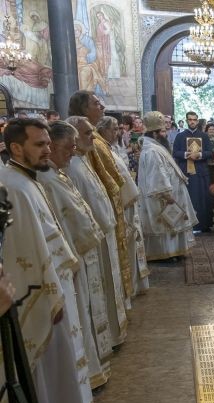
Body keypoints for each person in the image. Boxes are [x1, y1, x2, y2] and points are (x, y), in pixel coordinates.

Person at [1, 118, 99, 403]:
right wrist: (50, 298)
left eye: (47, 143)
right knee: (51, 384)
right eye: (39, 145)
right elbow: (25, 253)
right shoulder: (13, 186)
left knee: (61, 380)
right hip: (41, 301)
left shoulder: (28, 179)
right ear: (16, 148)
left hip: (54, 293)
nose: (48, 150)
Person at [39, 120, 111, 389]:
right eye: (67, 147)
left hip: (78, 252)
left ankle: (90, 371)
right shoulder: (47, 180)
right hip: (69, 256)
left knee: (84, 312)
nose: (72, 152)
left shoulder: (58, 173)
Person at [65, 115, 128, 347]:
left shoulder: (83, 159)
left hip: (102, 232)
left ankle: (113, 334)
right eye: (87, 133)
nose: (92, 137)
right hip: (91, 238)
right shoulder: (71, 166)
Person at [68, 90, 132, 299]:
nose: (102, 107)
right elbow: (108, 177)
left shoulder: (94, 137)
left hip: (103, 210)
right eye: (96, 103)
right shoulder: (87, 138)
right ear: (83, 109)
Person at [96, 116, 150, 296]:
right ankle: (130, 288)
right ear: (102, 129)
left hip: (128, 200)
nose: (117, 132)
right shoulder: (100, 146)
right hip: (122, 203)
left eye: (118, 128)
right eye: (114, 129)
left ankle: (135, 285)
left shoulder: (109, 147)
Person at [138, 111, 198, 258]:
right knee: (165, 223)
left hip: (170, 193)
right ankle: (166, 253)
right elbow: (157, 173)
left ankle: (173, 251)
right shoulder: (152, 151)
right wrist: (165, 192)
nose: (166, 134)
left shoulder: (155, 148)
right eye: (163, 131)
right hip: (163, 195)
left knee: (172, 223)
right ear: (155, 134)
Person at [172, 112, 213, 233]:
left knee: (202, 198)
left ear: (197, 121)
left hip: (201, 172)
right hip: (186, 172)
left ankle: (203, 224)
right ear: (186, 121)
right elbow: (175, 153)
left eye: (194, 120)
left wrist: (199, 154)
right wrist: (187, 154)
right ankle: (188, 225)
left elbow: (210, 152)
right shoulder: (180, 136)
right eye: (190, 120)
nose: (192, 122)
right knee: (188, 198)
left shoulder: (204, 136)